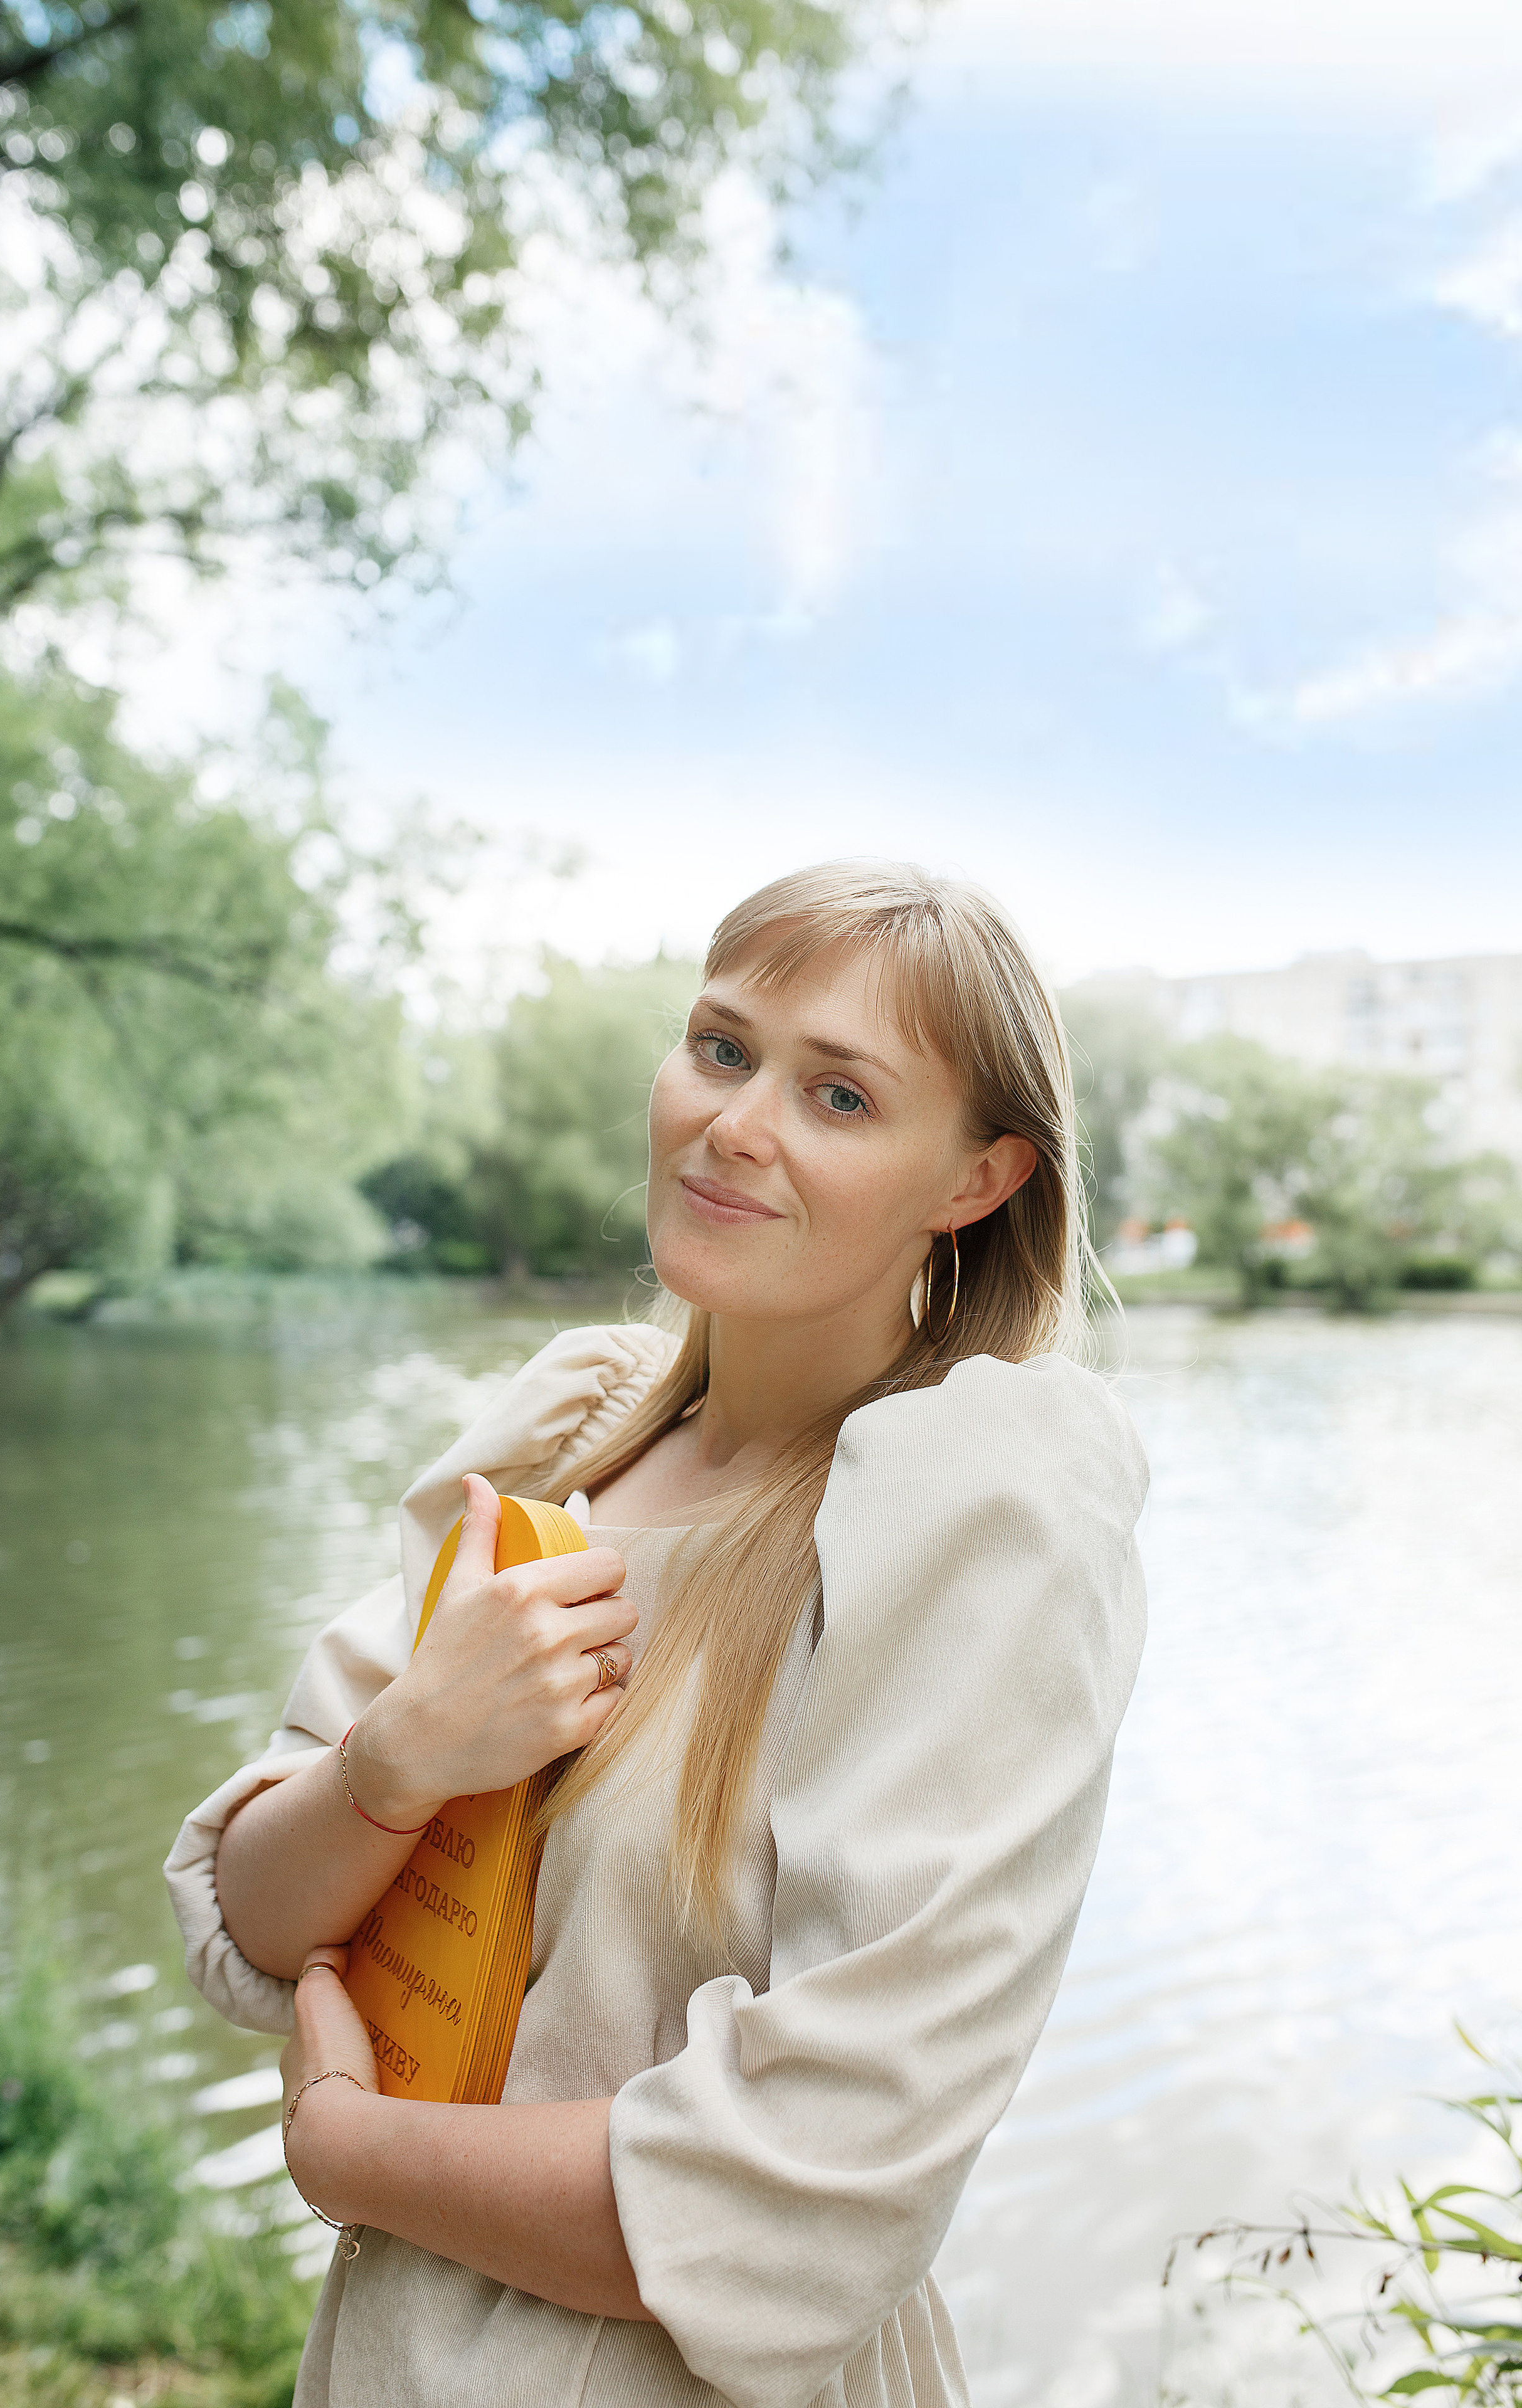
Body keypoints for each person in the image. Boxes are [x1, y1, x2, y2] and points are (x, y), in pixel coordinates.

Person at [164, 860, 1148, 2408]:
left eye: (838, 1097)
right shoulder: (563, 1440)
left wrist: (354, 2152)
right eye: (719, 1046)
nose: (735, 1123)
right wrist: (397, 1759)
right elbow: (259, 1925)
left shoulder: (964, 1519)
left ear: (974, 1181)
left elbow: (807, 2189)